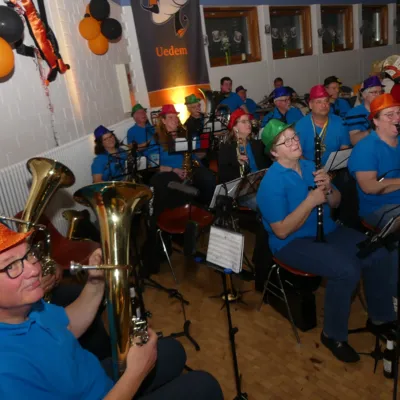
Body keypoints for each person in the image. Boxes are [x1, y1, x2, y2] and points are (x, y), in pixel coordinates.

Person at [0, 223, 223, 400]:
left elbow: (67, 325)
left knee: (174, 350)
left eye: (29, 254)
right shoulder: (6, 373)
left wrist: (96, 282)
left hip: (92, 378)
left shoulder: (26, 307)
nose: (34, 269)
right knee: (204, 386)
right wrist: (135, 375)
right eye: (11, 266)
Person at [257, 119, 397, 363]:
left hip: (327, 230)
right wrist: (310, 201)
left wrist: (330, 188)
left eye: (294, 136)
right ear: (274, 152)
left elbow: (336, 202)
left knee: (378, 252)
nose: (294, 142)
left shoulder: (310, 165)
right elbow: (281, 231)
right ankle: (332, 334)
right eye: (286, 141)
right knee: (346, 269)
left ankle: (381, 318)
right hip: (292, 243)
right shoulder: (271, 182)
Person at [146, 104, 216, 216]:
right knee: (181, 190)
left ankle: (205, 208)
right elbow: (152, 165)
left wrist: (200, 151)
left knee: (209, 177)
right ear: (163, 121)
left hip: (189, 169)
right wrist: (173, 170)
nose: (175, 120)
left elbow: (195, 151)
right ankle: (185, 213)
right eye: (170, 117)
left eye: (176, 117)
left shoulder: (183, 133)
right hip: (169, 173)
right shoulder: (156, 139)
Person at [348, 94, 400, 229]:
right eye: (390, 115)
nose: (397, 118)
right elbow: (369, 186)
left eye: (399, 113)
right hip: (378, 207)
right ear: (375, 121)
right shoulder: (365, 148)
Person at [218, 109, 270, 210]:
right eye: (243, 121)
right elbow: (223, 177)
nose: (249, 124)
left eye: (248, 121)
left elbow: (266, 167)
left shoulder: (258, 144)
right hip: (243, 192)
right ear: (234, 127)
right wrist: (235, 162)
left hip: (261, 186)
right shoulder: (226, 148)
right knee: (264, 204)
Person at [296, 85, 351, 165]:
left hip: (335, 168)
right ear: (310, 105)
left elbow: (344, 149)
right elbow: (298, 155)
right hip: (307, 168)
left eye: (326, 101)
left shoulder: (340, 122)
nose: (324, 105)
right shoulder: (300, 126)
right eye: (319, 102)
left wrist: (330, 170)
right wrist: (312, 169)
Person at [344, 76, 383, 146]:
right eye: (374, 92)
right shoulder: (355, 113)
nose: (379, 95)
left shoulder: (384, 110)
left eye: (380, 92)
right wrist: (374, 130)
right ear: (364, 95)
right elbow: (354, 140)